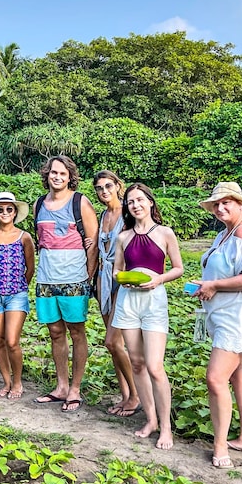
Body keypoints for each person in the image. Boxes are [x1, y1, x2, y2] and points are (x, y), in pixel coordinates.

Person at [192, 182, 242, 469]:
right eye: (217, 204)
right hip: (224, 313)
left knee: (215, 378)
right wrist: (208, 286)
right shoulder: (226, 234)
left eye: (227, 203)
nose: (221, 208)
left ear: (240, 205)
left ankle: (220, 445)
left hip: (238, 317)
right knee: (239, 375)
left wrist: (214, 284)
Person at [111, 183, 183, 449]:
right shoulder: (123, 237)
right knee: (137, 364)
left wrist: (158, 279)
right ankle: (150, 419)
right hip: (129, 302)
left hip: (154, 301)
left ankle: (166, 427)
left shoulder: (165, 233)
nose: (136, 205)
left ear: (150, 202)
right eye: (130, 202)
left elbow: (178, 268)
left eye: (140, 200)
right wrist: (123, 279)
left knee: (155, 366)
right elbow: (116, 271)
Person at [32, 155, 98, 413]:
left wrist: (88, 277)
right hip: (47, 279)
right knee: (55, 332)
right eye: (53, 173)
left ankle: (75, 388)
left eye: (62, 173)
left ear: (70, 176)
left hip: (75, 278)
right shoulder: (39, 204)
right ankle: (61, 386)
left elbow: (92, 243)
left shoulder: (80, 202)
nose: (57, 177)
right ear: (47, 175)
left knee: (76, 332)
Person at [0, 192, 35, 400]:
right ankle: (6, 382)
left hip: (16, 296)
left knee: (12, 341)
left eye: (9, 209)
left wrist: (19, 286)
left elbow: (30, 268)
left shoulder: (24, 237)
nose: (5, 213)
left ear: (15, 212)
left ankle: (18, 382)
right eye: (0, 209)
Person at [92, 170, 139, 417]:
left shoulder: (128, 213)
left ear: (118, 186)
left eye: (108, 186)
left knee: (112, 341)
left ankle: (136, 394)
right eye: (99, 188)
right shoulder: (103, 215)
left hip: (122, 280)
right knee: (114, 345)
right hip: (103, 280)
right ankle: (125, 395)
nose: (104, 191)